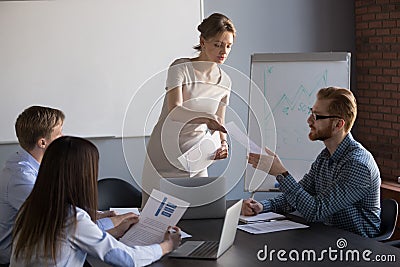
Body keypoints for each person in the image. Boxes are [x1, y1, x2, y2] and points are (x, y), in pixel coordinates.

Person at [10, 136, 181, 266]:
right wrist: (167, 246)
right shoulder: (71, 218)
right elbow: (128, 259)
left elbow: (70, 240)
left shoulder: (30, 207)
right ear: (82, 175)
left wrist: (116, 231)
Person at [242, 87, 381, 238]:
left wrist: (280, 173)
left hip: (357, 248)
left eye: (317, 116)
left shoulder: (357, 165)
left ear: (338, 124)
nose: (309, 120)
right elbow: (300, 194)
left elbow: (315, 211)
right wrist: (262, 206)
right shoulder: (325, 157)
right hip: (329, 237)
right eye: (311, 112)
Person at [0, 106, 131, 265]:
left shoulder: (34, 165)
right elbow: (62, 223)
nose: (64, 137)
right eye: (60, 133)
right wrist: (115, 222)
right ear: (43, 142)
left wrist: (99, 214)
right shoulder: (20, 180)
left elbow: (64, 212)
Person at [142, 13, 236, 206]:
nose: (223, 51)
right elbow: (174, 110)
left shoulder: (225, 81)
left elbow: (219, 119)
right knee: (156, 216)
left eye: (228, 46)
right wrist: (206, 119)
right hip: (164, 152)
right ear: (203, 41)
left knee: (198, 211)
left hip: (197, 156)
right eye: (218, 44)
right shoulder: (181, 68)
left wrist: (223, 143)